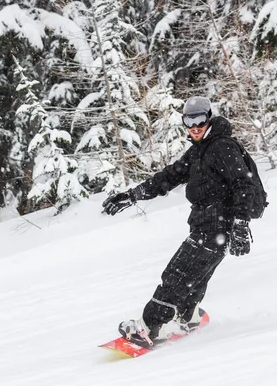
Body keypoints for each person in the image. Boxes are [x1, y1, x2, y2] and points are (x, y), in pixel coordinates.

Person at [102, 96, 257, 347]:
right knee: (195, 275)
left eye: (200, 119)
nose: (195, 126)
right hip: (210, 227)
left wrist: (241, 224)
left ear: (209, 118)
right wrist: (132, 196)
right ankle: (188, 315)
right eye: (189, 120)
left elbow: (244, 185)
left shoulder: (221, 147)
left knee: (176, 274)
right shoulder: (200, 151)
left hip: (215, 227)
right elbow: (168, 177)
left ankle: (149, 327)